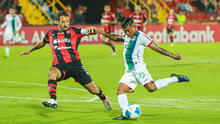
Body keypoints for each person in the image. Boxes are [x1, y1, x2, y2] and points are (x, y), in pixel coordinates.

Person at [98, 18, 190, 120]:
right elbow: (116, 37)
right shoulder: (128, 35)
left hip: (138, 68)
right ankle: (125, 113)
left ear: (134, 27)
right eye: (125, 31)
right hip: (129, 70)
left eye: (128, 30)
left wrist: (173, 55)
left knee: (151, 88)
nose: (127, 33)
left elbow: (157, 48)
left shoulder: (141, 36)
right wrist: (105, 34)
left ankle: (174, 79)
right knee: (120, 90)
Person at [20, 11, 112, 110]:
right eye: (63, 22)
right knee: (52, 73)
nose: (66, 24)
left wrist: (92, 30)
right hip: (60, 66)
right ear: (57, 22)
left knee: (93, 90)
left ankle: (104, 98)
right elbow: (42, 43)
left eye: (67, 21)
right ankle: (53, 100)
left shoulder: (74, 31)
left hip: (76, 65)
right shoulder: (51, 34)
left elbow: (87, 31)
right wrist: (31, 50)